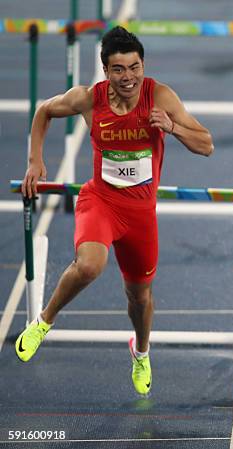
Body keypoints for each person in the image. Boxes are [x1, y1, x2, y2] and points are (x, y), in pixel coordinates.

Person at [15, 26, 214, 396]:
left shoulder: (161, 97)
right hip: (101, 202)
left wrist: (172, 128)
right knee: (90, 264)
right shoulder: (90, 99)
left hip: (141, 215)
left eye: (134, 67)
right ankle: (43, 321)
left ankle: (141, 351)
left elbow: (206, 145)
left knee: (139, 298)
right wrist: (34, 161)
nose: (129, 77)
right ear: (106, 71)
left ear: (143, 65)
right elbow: (45, 111)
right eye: (119, 70)